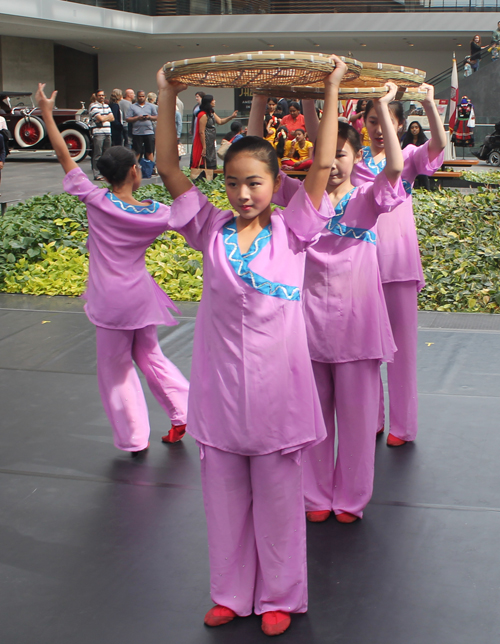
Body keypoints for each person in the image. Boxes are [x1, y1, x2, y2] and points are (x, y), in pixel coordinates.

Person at [155, 55, 347, 637]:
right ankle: (232, 594)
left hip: (278, 396)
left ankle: (280, 595)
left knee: (280, 504)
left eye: (255, 182)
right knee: (223, 502)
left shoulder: (295, 229)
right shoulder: (207, 228)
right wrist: (166, 92)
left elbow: (320, 161)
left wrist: (332, 88)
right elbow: (166, 164)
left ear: (274, 183)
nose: (242, 193)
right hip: (219, 393)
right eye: (233, 181)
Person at [250, 84, 405, 524]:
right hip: (308, 326)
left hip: (358, 327)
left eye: (342, 153)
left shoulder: (369, 198)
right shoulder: (300, 198)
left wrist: (378, 103)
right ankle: (315, 496)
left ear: (356, 157)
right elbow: (260, 158)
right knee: (312, 418)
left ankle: (351, 499)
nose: (334, 162)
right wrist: (261, 102)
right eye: (327, 153)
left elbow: (394, 165)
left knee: (357, 425)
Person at [35, 82, 189, 455]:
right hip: (139, 296)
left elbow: (62, 153)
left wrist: (45, 112)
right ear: (136, 171)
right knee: (150, 355)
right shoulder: (156, 213)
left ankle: (134, 437)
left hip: (109, 300)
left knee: (115, 369)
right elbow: (189, 210)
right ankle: (184, 411)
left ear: (105, 174)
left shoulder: (94, 198)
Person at [351, 84, 446, 447]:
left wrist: (428, 103)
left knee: (401, 353)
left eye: (385, 121)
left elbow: (438, 144)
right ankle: (371, 417)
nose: (377, 129)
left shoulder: (406, 157)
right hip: (360, 268)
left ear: (400, 124)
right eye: (372, 121)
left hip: (400, 264)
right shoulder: (354, 165)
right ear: (362, 122)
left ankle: (402, 427)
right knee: (364, 351)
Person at [190, 94, 237, 173]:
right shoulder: (203, 115)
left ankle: (210, 176)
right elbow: (201, 132)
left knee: (211, 161)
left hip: (210, 142)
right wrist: (204, 147)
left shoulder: (211, 113)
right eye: (212, 100)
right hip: (205, 142)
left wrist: (231, 117)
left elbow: (220, 121)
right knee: (205, 161)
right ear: (209, 102)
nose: (214, 101)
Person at [89, 89, 114, 181]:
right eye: (99, 95)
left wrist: (103, 118)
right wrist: (105, 118)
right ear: (96, 96)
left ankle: (105, 173)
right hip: (98, 133)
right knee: (97, 154)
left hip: (108, 132)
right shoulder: (93, 106)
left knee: (106, 154)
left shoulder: (107, 106)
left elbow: (112, 118)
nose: (101, 97)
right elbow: (99, 117)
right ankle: (97, 174)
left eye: (103, 95)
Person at [126, 90, 157, 162]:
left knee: (149, 151)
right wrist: (137, 118)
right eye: (140, 96)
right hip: (137, 133)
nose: (141, 98)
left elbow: (156, 117)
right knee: (137, 152)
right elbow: (128, 118)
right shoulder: (132, 107)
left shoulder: (150, 106)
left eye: (143, 96)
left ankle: (151, 168)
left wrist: (149, 117)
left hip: (149, 132)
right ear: (137, 97)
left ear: (145, 97)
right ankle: (135, 168)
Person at [402, 121, 430, 189]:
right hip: (409, 163)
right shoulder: (407, 140)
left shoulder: (424, 140)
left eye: (416, 127)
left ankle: (427, 190)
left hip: (421, 163)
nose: (414, 129)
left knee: (423, 174)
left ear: (419, 129)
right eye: (412, 128)